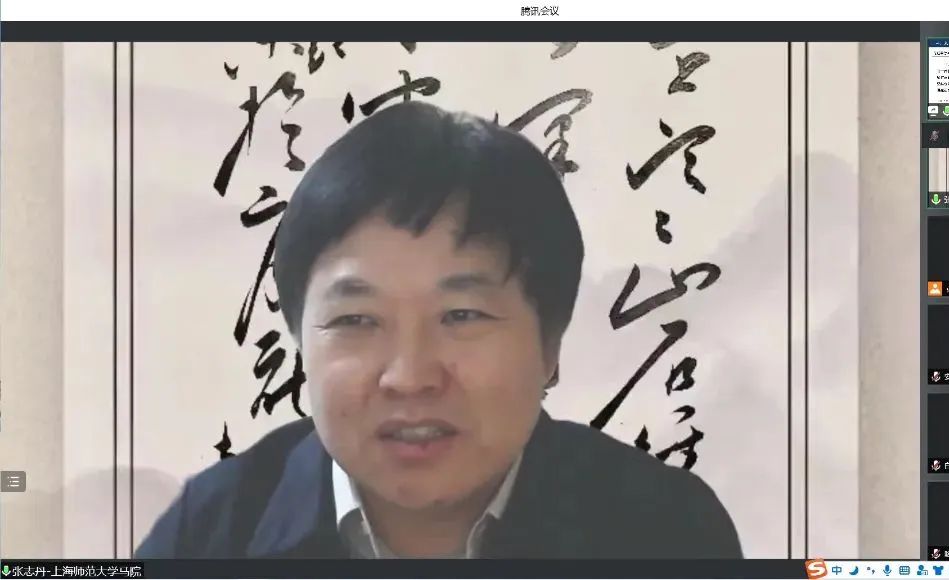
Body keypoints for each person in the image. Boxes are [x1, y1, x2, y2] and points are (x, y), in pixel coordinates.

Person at [135, 101, 742, 559]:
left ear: (551, 344)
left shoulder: (666, 531)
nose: (409, 376)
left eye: (462, 316)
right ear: (300, 340)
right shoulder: (211, 532)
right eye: (356, 320)